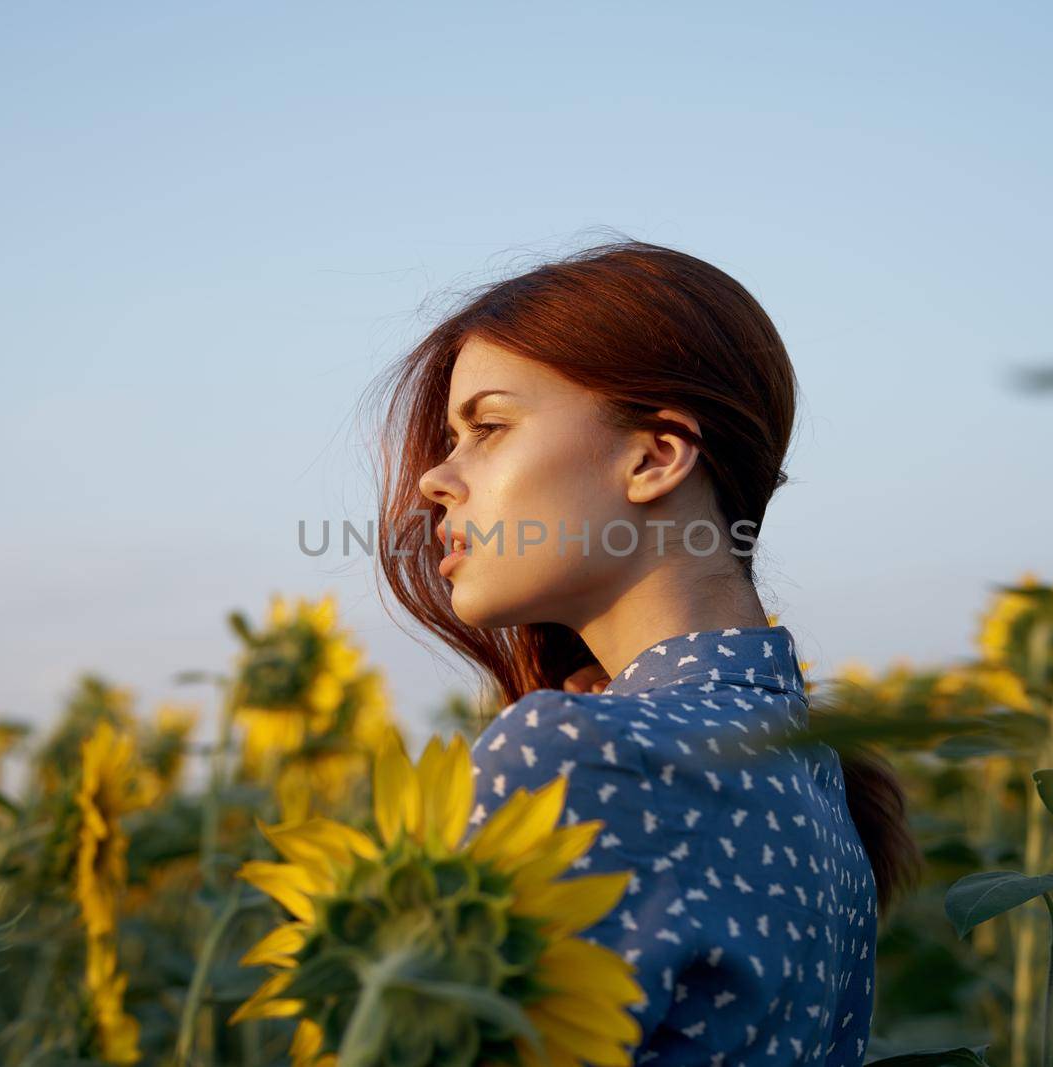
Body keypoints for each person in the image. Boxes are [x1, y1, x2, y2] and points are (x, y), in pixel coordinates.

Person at [370, 238, 921, 1066]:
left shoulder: (580, 756)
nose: (434, 481)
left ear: (655, 455)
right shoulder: (815, 774)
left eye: (488, 425)